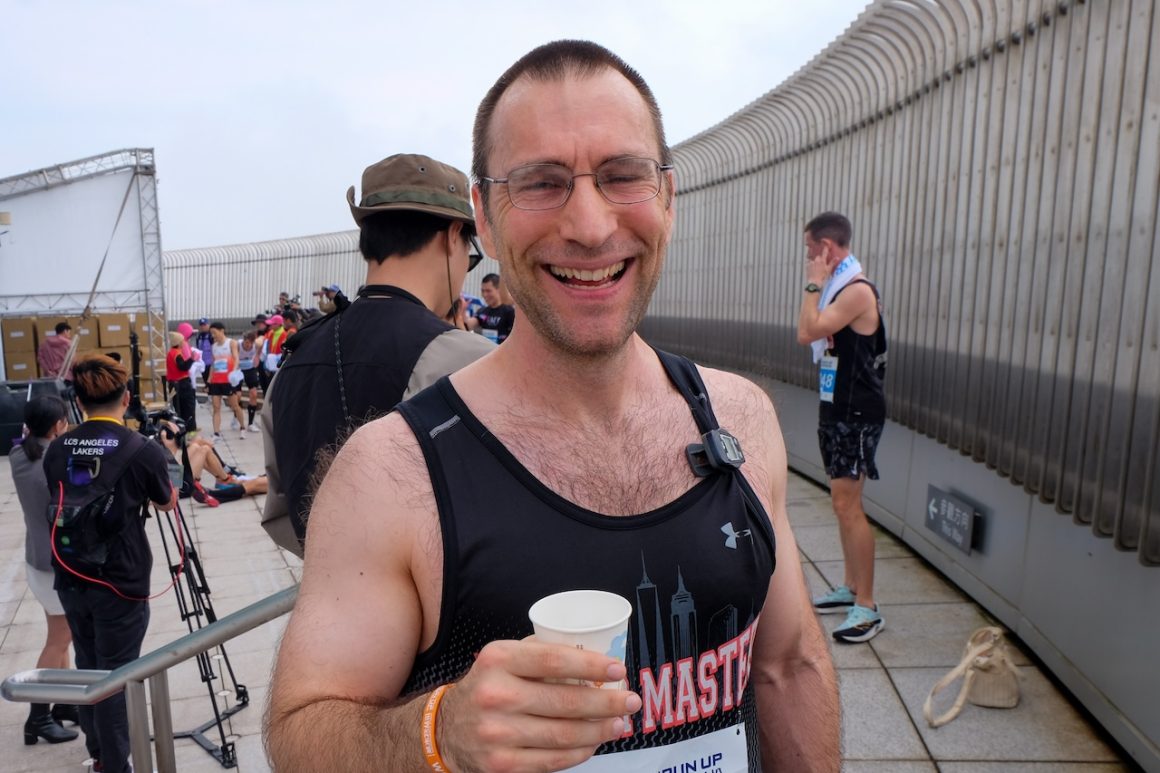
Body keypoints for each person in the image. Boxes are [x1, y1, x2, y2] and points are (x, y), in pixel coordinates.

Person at [265, 41, 839, 772]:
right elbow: (302, 732)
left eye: (622, 175)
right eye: (541, 183)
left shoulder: (738, 419)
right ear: (485, 215)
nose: (592, 225)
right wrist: (440, 731)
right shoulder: (391, 473)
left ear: (667, 194)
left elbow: (788, 664)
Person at [259, 152, 494, 555]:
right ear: (451, 235)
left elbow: (280, 511)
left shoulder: (293, 359)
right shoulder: (469, 359)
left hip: (328, 593)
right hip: (443, 610)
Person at [43, 354, 176, 773]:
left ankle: (99, 750)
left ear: (78, 402)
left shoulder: (58, 448)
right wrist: (169, 453)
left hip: (71, 574)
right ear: (127, 398)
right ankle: (116, 764)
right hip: (121, 580)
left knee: (88, 662)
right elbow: (168, 500)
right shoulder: (143, 450)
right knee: (117, 675)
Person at [796, 211, 888, 644]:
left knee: (849, 505)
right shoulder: (843, 289)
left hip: (855, 412)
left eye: (812, 249)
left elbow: (807, 330)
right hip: (838, 409)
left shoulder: (854, 291)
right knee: (840, 504)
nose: (809, 257)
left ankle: (867, 605)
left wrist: (814, 283)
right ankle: (851, 587)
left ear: (828, 249)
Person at [9, 395, 80, 746]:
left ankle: (65, 704)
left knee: (60, 633)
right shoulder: (54, 463)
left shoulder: (20, 454)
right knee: (60, 639)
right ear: (57, 426)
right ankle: (37, 716)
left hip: (37, 559)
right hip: (55, 564)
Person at [206, 322, 246, 440]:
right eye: (211, 333)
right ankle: (216, 433)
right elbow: (213, 365)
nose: (213, 335)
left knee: (234, 405)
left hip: (228, 380)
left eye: (215, 333)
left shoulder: (231, 343)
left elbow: (236, 358)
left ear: (222, 331)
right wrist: (209, 380)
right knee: (216, 407)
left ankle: (242, 427)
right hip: (216, 381)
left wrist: (233, 371)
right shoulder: (213, 346)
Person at [467, 272, 516, 343]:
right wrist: (460, 314)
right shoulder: (483, 311)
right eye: (482, 291)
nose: (484, 295)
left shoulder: (510, 311)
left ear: (499, 290)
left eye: (488, 291)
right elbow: (468, 325)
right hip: (487, 351)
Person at [165, 331, 199, 433]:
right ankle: (190, 430)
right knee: (188, 408)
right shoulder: (177, 353)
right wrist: (191, 359)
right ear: (179, 342)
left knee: (179, 409)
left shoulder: (170, 352)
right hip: (182, 384)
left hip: (174, 384)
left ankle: (181, 430)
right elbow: (182, 367)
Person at [237, 330, 262, 432]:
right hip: (238, 369)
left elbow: (262, 340)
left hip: (250, 369)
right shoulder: (238, 345)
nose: (248, 345)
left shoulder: (256, 345)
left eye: (250, 343)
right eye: (246, 343)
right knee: (237, 395)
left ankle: (251, 423)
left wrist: (257, 356)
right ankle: (236, 416)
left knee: (254, 394)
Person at [194, 318, 214, 387]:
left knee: (212, 383)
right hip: (203, 364)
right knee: (206, 382)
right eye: (201, 325)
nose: (203, 327)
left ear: (208, 325)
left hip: (211, 364)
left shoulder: (212, 336)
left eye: (204, 325)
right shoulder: (199, 337)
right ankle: (209, 396)